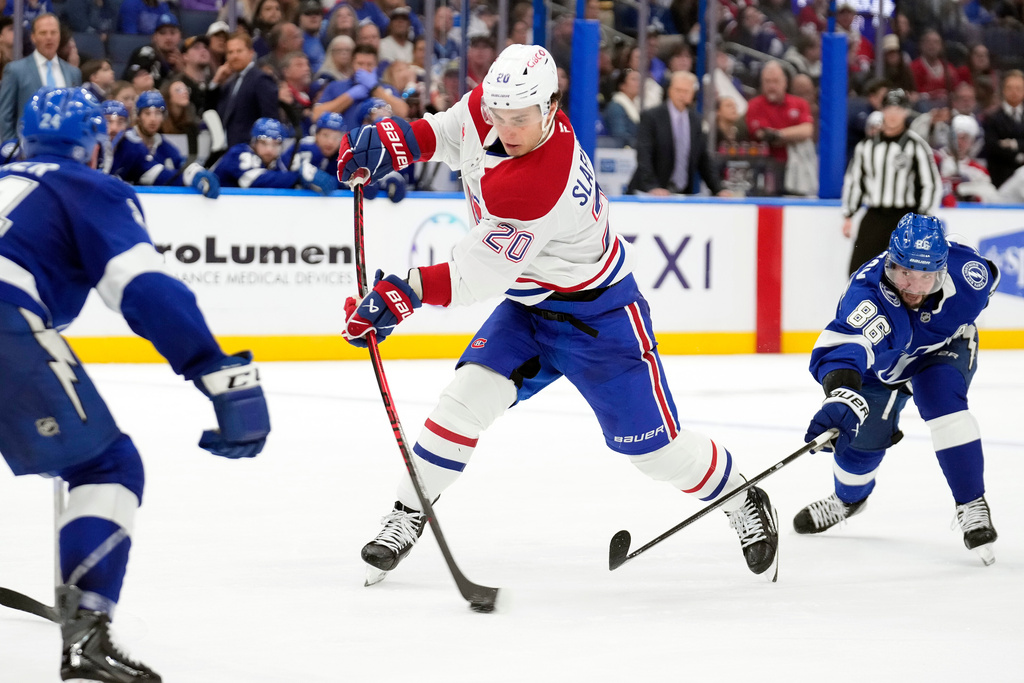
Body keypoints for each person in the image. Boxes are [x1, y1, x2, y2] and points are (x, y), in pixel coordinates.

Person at [336, 44, 780, 586]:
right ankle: (406, 516)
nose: (505, 125)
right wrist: (395, 142)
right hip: (529, 308)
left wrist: (402, 294)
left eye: (518, 118)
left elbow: (477, 274)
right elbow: (453, 131)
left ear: (550, 106)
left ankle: (741, 495)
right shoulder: (502, 102)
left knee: (656, 454)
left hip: (600, 317)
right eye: (497, 114)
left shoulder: (538, 182)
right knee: (462, 402)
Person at [0, 86, 270, 682]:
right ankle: (88, 635)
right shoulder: (88, 186)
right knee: (106, 469)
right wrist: (217, 370)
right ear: (95, 147)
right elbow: (144, 289)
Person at [795, 214, 1000, 566]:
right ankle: (848, 501)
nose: (914, 287)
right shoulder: (867, 295)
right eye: (904, 272)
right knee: (858, 449)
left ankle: (971, 503)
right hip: (882, 368)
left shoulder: (971, 275)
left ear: (943, 268)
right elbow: (845, 348)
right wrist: (842, 392)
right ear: (889, 261)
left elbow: (991, 277)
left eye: (926, 276)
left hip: (942, 353)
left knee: (944, 402)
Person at [841, 88, 941, 276]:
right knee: (859, 272)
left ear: (906, 112)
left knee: (903, 274)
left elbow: (930, 184)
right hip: (874, 215)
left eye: (899, 109)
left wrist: (923, 219)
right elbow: (855, 181)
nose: (894, 114)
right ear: (882, 111)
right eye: (890, 109)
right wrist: (849, 214)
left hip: (904, 218)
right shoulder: (866, 146)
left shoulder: (916, 146)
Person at [626, 71, 727, 196]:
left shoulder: (695, 120)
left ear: (693, 94)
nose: (682, 95)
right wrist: (652, 187)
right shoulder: (652, 117)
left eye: (686, 91)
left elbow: (703, 159)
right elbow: (644, 155)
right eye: (678, 90)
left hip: (682, 194)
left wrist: (719, 189)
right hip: (649, 193)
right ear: (670, 91)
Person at [111, 90, 220, 197]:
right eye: (147, 113)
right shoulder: (126, 142)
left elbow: (181, 169)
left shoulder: (166, 147)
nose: (152, 119)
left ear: (164, 116)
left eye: (158, 113)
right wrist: (189, 176)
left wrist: (196, 172)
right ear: (138, 116)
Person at [0, 14, 81, 140]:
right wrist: (11, 149)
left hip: (63, 149)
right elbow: (5, 115)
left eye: (53, 32)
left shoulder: (73, 73)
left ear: (59, 36)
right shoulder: (15, 70)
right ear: (33, 37)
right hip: (26, 150)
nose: (49, 37)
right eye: (43, 33)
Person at [211, 116, 336, 192]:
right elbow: (255, 180)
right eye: (264, 143)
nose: (270, 150)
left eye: (275, 144)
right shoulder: (239, 153)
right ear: (254, 142)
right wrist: (298, 177)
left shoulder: (275, 162)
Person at [745, 60, 814, 195]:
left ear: (785, 82)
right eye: (767, 81)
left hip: (795, 167)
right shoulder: (754, 105)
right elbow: (763, 135)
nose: (772, 86)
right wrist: (792, 135)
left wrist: (780, 134)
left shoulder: (799, 104)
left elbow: (807, 130)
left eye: (775, 81)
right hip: (765, 167)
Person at [208, 32, 280, 148]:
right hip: (228, 149)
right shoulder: (229, 83)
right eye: (230, 52)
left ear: (251, 53)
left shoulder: (261, 79)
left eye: (239, 51)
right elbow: (211, 111)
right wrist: (215, 82)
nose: (234, 56)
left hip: (250, 149)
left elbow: (270, 118)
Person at [982, 70, 1024, 189]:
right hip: (1002, 179)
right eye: (1010, 88)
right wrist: (1020, 155)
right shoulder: (992, 118)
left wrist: (1013, 144)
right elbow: (992, 147)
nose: (1014, 92)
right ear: (1003, 90)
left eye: (1018, 88)